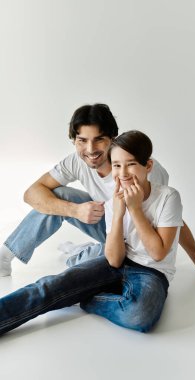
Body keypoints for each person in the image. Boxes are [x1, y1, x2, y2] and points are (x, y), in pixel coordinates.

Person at [0, 104, 195, 279]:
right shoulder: (76, 161)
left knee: (92, 266)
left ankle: (84, 252)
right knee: (60, 195)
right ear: (74, 141)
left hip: (137, 246)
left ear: (113, 139)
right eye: (82, 140)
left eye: (99, 140)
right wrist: (75, 210)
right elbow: (31, 194)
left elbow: (173, 221)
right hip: (108, 227)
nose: (90, 149)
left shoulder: (145, 170)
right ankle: (4, 258)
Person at [0, 130, 184, 335]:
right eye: (116, 165)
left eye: (130, 164)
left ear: (147, 166)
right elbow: (114, 260)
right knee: (49, 287)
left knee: (138, 314)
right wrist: (118, 212)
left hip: (152, 272)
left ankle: (84, 298)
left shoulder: (168, 197)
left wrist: (135, 209)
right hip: (116, 261)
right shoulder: (115, 198)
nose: (122, 173)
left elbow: (158, 254)